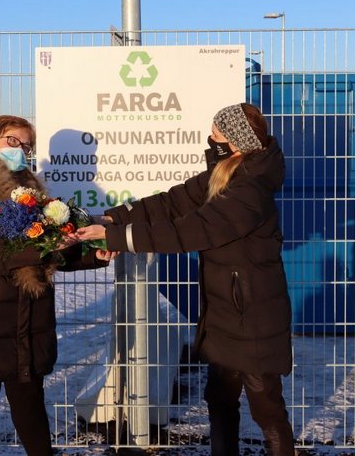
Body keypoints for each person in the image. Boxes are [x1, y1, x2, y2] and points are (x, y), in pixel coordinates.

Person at [76, 103, 295, 455]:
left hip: (252, 317)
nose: (212, 139)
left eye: (218, 135)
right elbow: (170, 203)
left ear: (238, 142)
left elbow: (188, 230)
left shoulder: (250, 190)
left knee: (266, 408)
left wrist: (117, 239)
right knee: (219, 400)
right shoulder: (225, 173)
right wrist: (112, 219)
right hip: (225, 314)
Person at [0, 115, 113, 456]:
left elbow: (48, 254)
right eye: (12, 141)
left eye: (26, 145)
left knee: (30, 401)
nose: (20, 150)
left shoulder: (31, 194)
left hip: (26, 318)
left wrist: (94, 256)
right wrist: (42, 245)